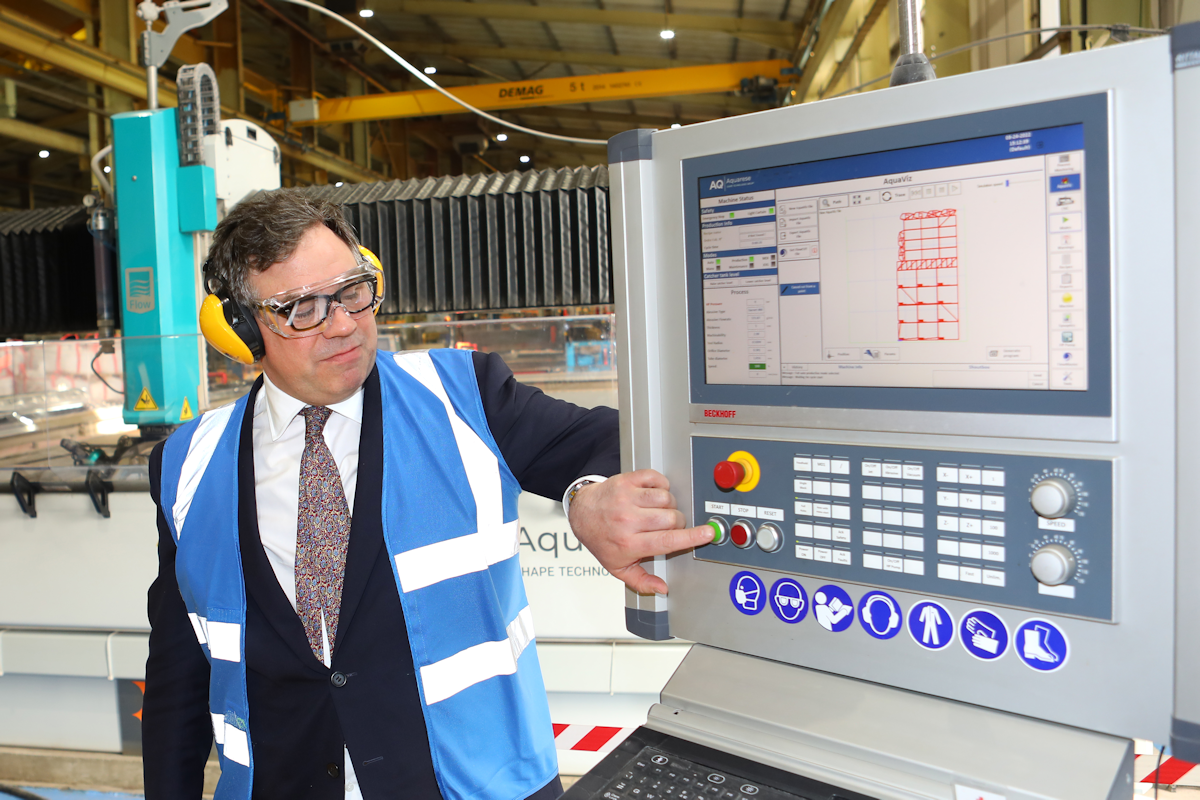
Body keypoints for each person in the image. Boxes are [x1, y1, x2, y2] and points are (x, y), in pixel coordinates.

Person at [143, 189, 713, 800]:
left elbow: (611, 441)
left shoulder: (466, 395)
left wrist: (585, 495)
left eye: (352, 290)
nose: (342, 325)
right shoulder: (186, 463)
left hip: (475, 787)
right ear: (241, 325)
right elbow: (179, 677)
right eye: (301, 308)